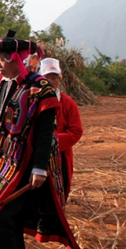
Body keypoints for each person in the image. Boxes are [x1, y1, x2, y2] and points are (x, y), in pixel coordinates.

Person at [0, 31, 82, 249]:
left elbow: (46, 133)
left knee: (1, 215)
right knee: (7, 216)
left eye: (1, 59)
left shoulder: (38, 89)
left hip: (23, 164)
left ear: (15, 58)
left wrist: (39, 167)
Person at [39, 58, 83, 197]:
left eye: (54, 78)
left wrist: (53, 141)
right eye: (47, 78)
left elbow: (76, 131)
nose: (51, 82)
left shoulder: (68, 104)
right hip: (37, 154)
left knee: (58, 192)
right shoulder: (32, 101)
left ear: (60, 79)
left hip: (60, 155)